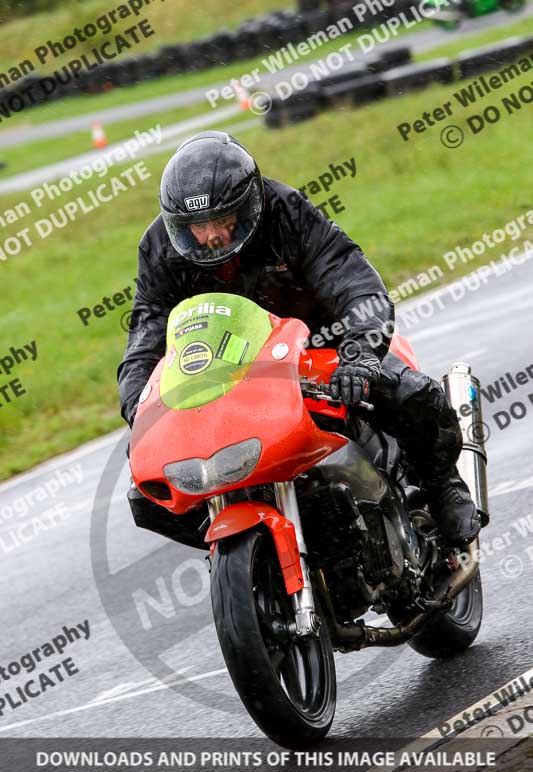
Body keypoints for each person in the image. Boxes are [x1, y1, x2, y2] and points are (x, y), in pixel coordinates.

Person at [118, 130, 481, 550]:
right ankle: (250, 551)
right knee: (146, 496)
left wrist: (361, 355)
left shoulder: (287, 212)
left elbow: (354, 281)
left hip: (326, 347)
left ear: (249, 203)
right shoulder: (160, 246)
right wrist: (140, 409)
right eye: (197, 226)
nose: (211, 235)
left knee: (409, 392)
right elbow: (146, 332)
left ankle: (444, 486)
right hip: (231, 372)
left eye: (221, 220)